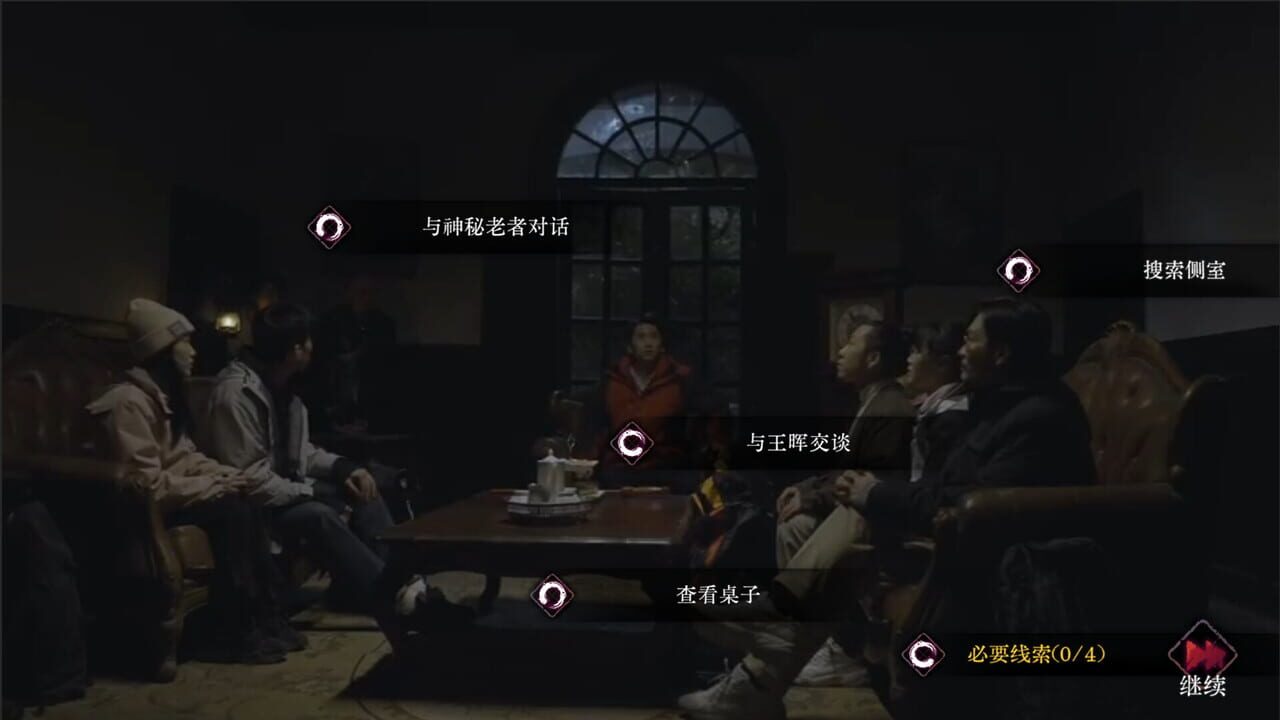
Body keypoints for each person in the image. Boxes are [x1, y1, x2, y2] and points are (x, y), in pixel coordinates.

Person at [678, 299, 1097, 720]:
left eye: (970, 340)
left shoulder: (1037, 417)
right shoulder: (995, 406)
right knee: (844, 521)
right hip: (953, 529)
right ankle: (757, 678)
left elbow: (968, 502)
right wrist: (850, 491)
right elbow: (938, 486)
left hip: (990, 551)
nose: (959, 351)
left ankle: (772, 639)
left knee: (858, 516)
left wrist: (875, 494)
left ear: (1001, 353)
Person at [199, 303, 460, 629]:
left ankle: (409, 586)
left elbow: (300, 454)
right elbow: (250, 479)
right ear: (295, 349)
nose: (312, 348)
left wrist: (344, 469)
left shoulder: (284, 391)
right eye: (307, 341)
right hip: (253, 507)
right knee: (319, 515)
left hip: (285, 491)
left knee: (364, 489)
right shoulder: (236, 394)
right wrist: (312, 493)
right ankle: (398, 600)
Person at [86, 299, 302, 665]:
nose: (192, 351)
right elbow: (147, 484)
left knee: (245, 499)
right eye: (183, 343)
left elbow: (184, 457)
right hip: (141, 512)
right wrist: (213, 488)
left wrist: (225, 475)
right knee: (232, 511)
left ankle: (265, 617)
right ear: (161, 352)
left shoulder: (161, 397)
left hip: (170, 498)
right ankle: (233, 632)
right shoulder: (127, 403)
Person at [764, 320, 915, 688]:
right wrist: (804, 490)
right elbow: (843, 472)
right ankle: (816, 642)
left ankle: (831, 647)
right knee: (794, 526)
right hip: (854, 507)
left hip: (877, 515)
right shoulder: (872, 399)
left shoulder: (891, 407)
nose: (840, 353)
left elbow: (865, 479)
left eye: (850, 345)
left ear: (873, 358)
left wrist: (812, 497)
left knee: (800, 526)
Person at [591, 314, 723, 490]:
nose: (648, 343)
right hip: (618, 469)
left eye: (654, 337)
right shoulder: (612, 381)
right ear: (630, 347)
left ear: (662, 346)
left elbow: (712, 414)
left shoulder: (680, 380)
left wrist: (716, 458)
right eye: (641, 337)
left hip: (667, 468)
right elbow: (596, 426)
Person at [309, 272, 397, 433]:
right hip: (336, 393)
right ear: (349, 293)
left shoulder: (383, 324)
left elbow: (386, 364)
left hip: (370, 396)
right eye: (361, 292)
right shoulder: (331, 321)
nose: (366, 297)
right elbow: (321, 361)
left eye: (370, 292)